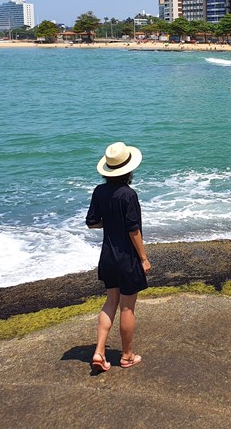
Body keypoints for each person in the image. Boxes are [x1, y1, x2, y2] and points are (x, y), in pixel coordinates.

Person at [86, 142, 152, 372]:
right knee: (127, 307)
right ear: (128, 170)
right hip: (126, 258)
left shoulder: (99, 191)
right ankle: (126, 356)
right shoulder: (128, 195)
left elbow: (92, 222)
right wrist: (143, 258)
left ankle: (99, 352)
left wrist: (111, 223)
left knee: (110, 302)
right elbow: (133, 229)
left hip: (107, 257)